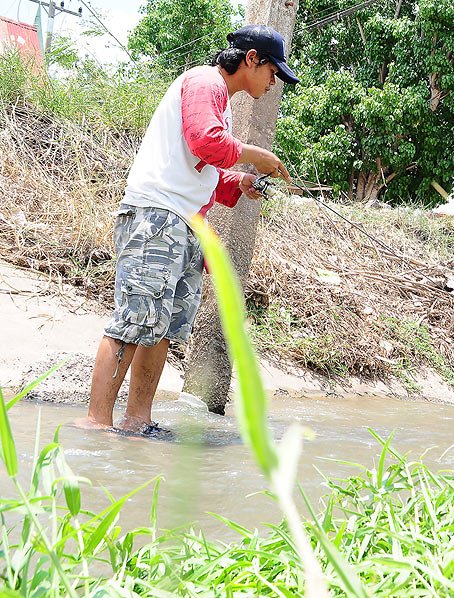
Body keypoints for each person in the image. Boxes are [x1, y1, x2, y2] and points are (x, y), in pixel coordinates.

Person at [83, 25, 299, 437]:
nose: (274, 84)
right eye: (273, 72)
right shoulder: (205, 82)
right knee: (134, 321)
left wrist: (239, 182)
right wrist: (258, 156)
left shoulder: (223, 101)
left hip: (183, 224)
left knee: (162, 328)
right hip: (157, 217)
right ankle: (94, 426)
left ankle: (137, 423)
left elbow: (203, 168)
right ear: (251, 59)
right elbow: (206, 142)